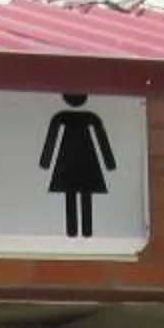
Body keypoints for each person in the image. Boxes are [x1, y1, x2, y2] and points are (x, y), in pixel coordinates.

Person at [38, 94, 115, 238]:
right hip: (83, 158)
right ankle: (78, 230)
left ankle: (81, 230)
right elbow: (101, 139)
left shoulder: (64, 116)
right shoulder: (87, 117)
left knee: (75, 193)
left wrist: (45, 162)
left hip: (71, 158)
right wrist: (109, 162)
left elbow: (52, 138)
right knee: (77, 194)